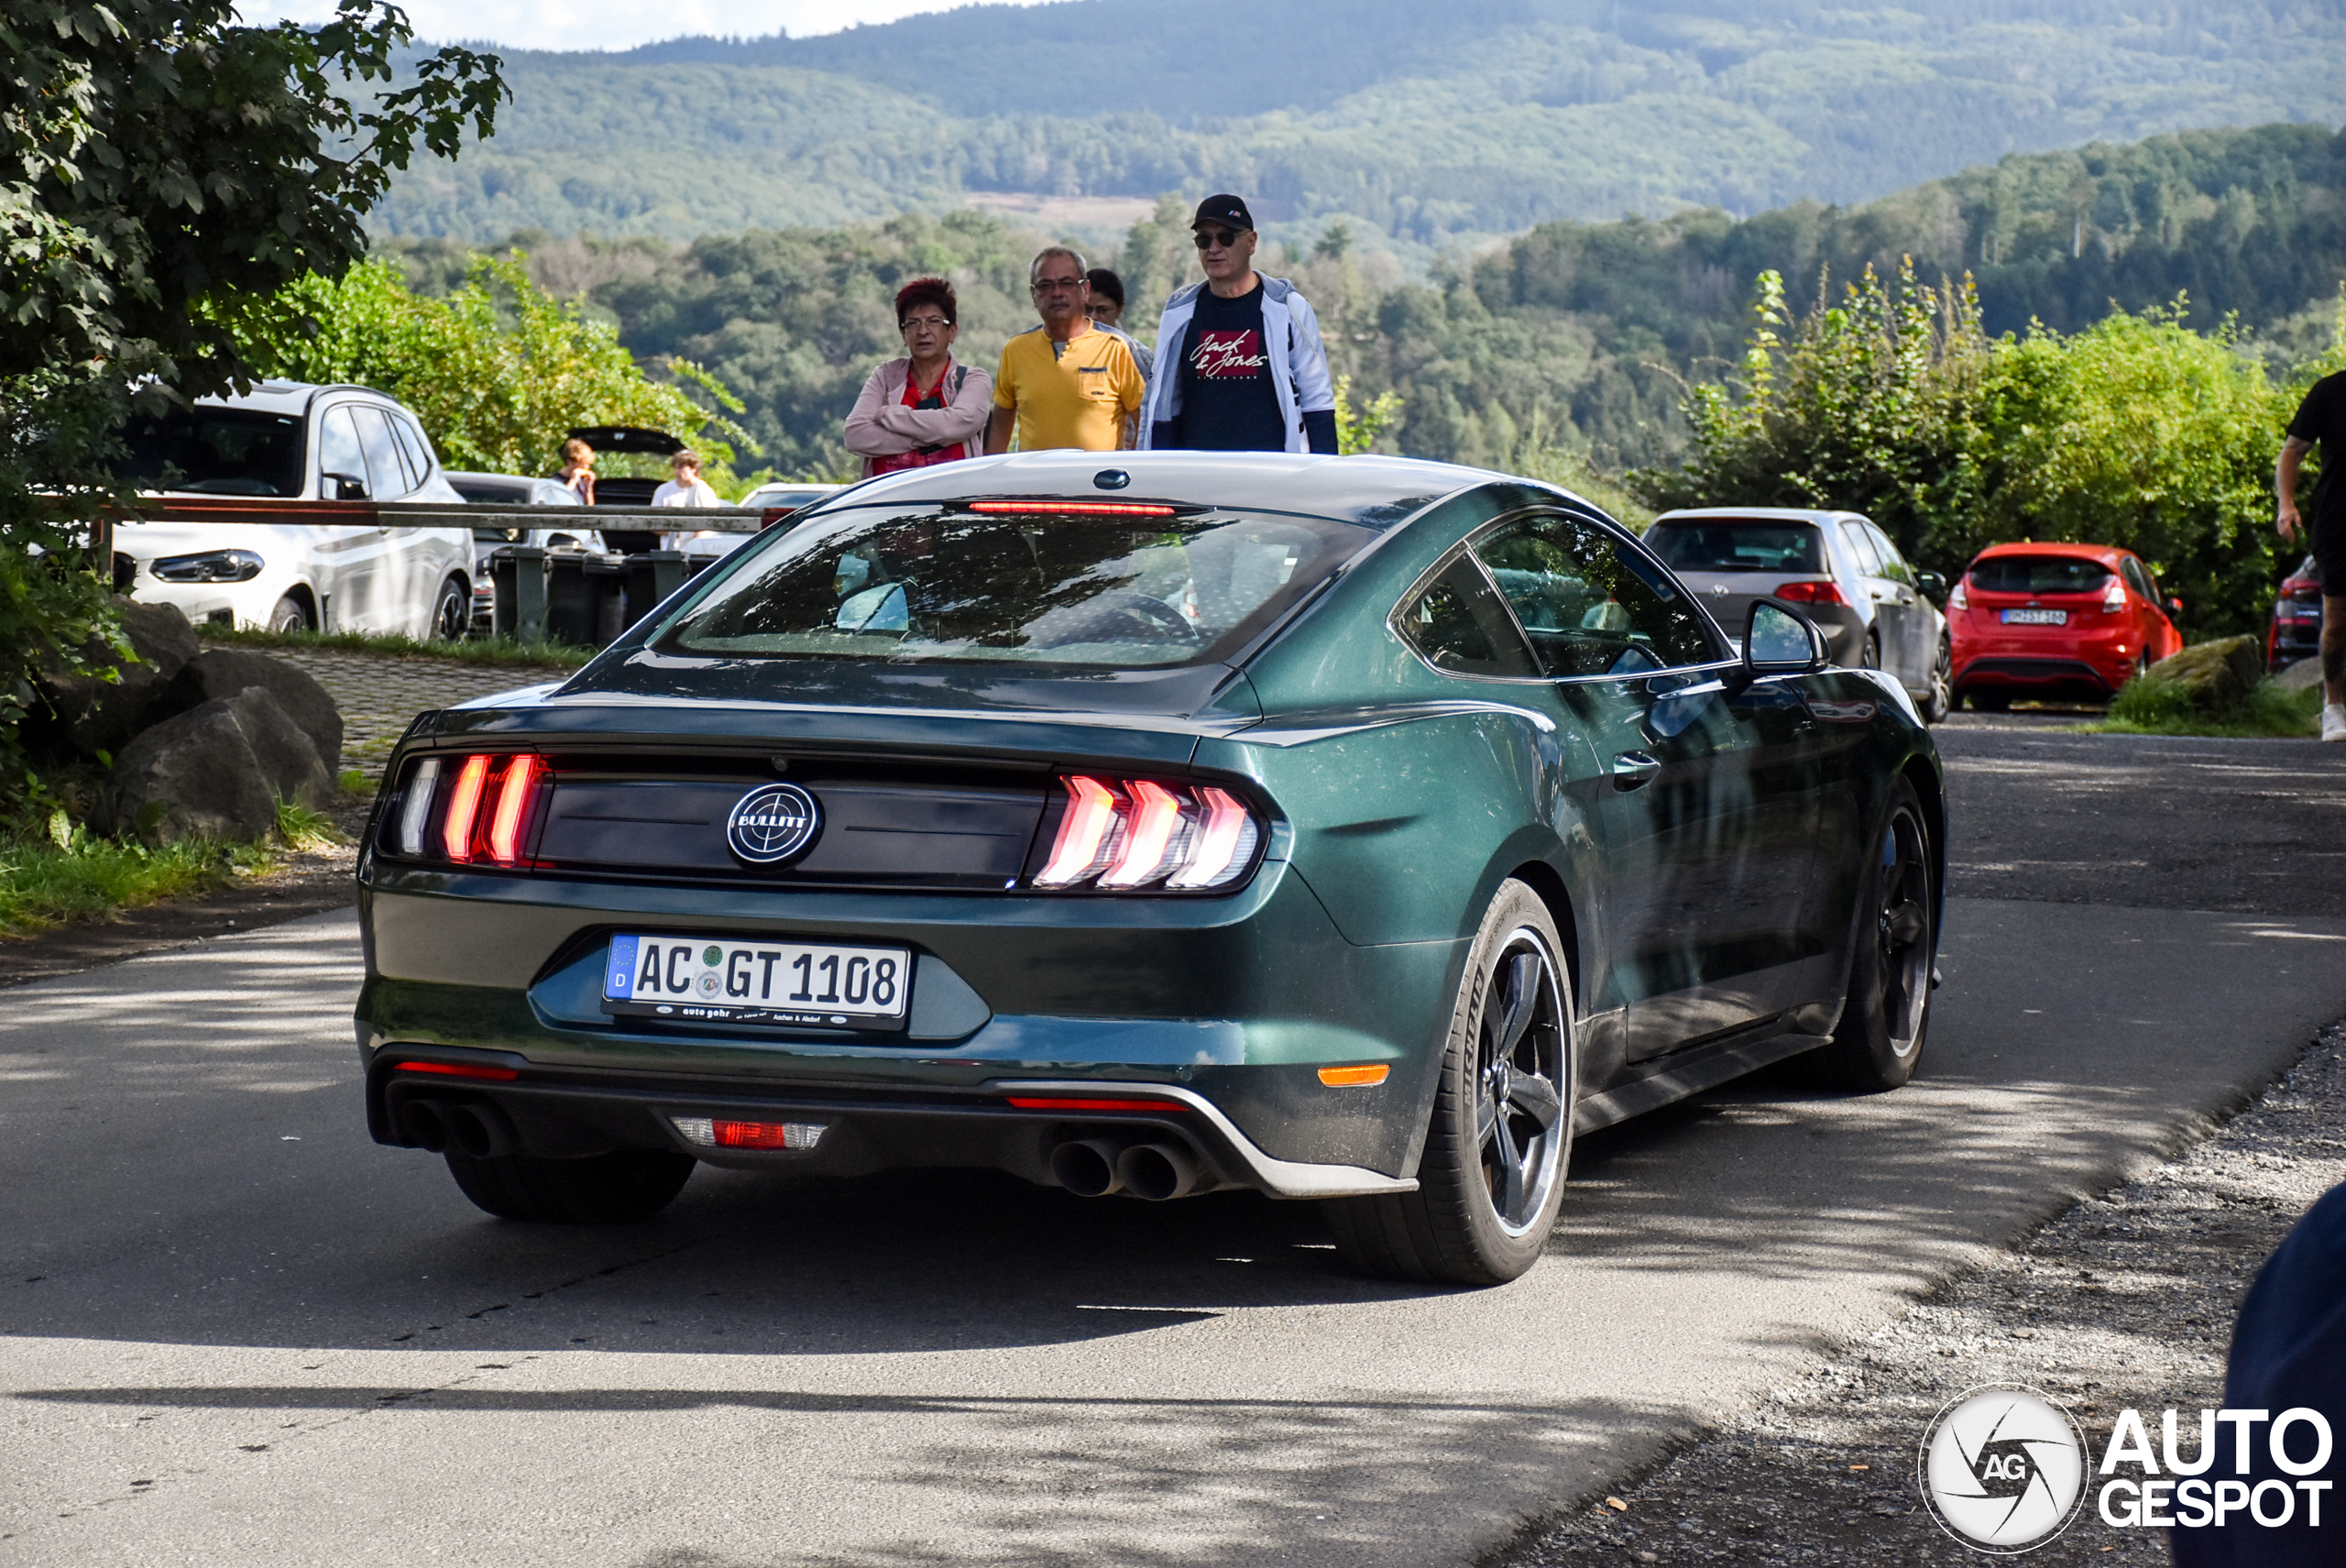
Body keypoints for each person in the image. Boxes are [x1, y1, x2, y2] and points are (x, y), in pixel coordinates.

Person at [1140, 194, 1339, 455]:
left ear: (1251, 242)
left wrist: (1324, 472)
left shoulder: (1288, 309)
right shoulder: (1179, 312)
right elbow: (1159, 400)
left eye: (1226, 237)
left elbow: (1317, 397)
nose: (1214, 248)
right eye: (1204, 239)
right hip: (1194, 476)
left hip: (1273, 474)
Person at [987, 247, 1145, 455]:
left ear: (1085, 290)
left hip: (1097, 484)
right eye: (1046, 285)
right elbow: (1001, 423)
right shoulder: (1016, 350)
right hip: (1035, 484)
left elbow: (1144, 420)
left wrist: (1130, 469)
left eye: (1067, 283)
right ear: (1033, 295)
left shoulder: (1115, 348)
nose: (1057, 293)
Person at [845, 277, 993, 477]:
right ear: (903, 334)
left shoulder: (972, 380)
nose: (923, 331)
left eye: (934, 322)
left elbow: (958, 424)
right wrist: (931, 438)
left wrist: (890, 415)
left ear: (952, 331)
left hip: (952, 503)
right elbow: (855, 436)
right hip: (890, 503)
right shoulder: (885, 376)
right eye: (913, 323)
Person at [2276, 378, 2346, 741]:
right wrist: (2286, 504)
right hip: (2339, 523)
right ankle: (2334, 708)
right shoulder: (2330, 392)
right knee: (2337, 624)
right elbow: (2293, 450)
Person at [1085, 267, 1155, 383]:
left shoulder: (1139, 357)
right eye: (1087, 309)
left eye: (1103, 310)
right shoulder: (1064, 350)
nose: (1093, 317)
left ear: (1119, 309)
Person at [651, 448, 720, 508]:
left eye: (681, 468)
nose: (678, 472)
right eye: (676, 468)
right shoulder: (663, 490)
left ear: (693, 468)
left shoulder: (704, 490)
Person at [554, 437, 596, 505]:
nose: (586, 467)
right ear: (569, 462)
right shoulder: (555, 481)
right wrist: (573, 481)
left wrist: (588, 489)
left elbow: (590, 508)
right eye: (582, 464)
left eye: (587, 464)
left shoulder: (580, 480)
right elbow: (561, 500)